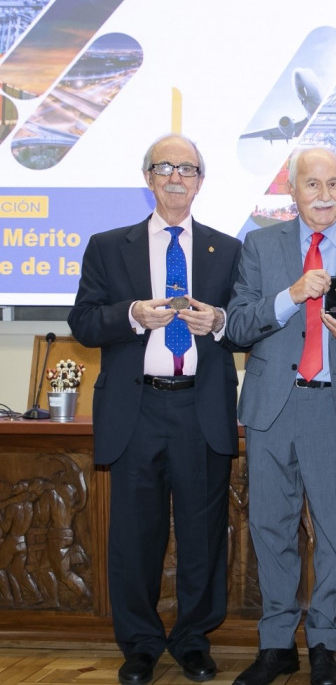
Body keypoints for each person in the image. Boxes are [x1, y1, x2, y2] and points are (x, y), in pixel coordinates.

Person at [68, 134, 242, 685]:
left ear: (199, 181)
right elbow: (84, 323)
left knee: (202, 537)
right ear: (147, 178)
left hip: (200, 409)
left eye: (187, 169)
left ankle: (192, 640)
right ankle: (140, 644)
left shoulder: (228, 250)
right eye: (164, 167)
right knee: (134, 539)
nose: (175, 177)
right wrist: (134, 315)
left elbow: (248, 325)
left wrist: (217, 322)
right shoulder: (107, 246)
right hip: (136, 409)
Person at [226, 146, 336, 685]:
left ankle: (324, 641)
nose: (324, 196)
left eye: (334, 184)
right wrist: (292, 294)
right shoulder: (258, 245)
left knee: (335, 533)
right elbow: (237, 324)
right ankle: (277, 643)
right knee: (270, 528)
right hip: (274, 406)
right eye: (312, 185)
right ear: (292, 191)